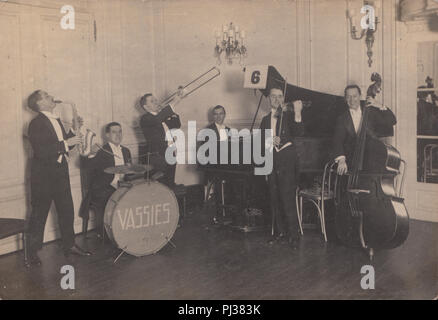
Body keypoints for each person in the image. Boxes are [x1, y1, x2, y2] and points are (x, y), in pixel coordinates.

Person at [26, 90, 91, 268]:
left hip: (60, 173)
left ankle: (69, 245)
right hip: (43, 177)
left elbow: (62, 143)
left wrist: (72, 130)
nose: (51, 97)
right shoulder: (36, 123)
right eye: (46, 96)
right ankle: (32, 253)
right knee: (40, 214)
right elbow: (42, 150)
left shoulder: (56, 120)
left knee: (66, 210)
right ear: (40, 104)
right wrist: (66, 144)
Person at [260, 87, 304, 248]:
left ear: (283, 99)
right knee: (274, 199)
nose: (277, 99)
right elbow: (261, 144)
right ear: (269, 99)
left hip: (287, 163)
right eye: (273, 96)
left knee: (287, 198)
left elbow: (299, 132)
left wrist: (298, 113)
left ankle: (293, 235)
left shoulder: (289, 116)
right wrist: (270, 140)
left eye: (280, 96)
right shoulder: (265, 120)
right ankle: (279, 232)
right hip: (271, 163)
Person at [333, 84, 397, 175]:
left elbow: (392, 120)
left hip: (372, 158)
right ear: (345, 99)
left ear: (360, 96)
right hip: (353, 160)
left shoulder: (370, 111)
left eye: (354, 96)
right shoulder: (342, 119)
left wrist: (380, 105)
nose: (352, 100)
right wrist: (341, 160)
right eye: (348, 97)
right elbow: (337, 140)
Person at [87, 122, 132, 238]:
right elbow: (89, 167)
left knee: (136, 195)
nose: (118, 135)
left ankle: (127, 230)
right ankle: (109, 234)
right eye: (114, 132)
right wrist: (92, 153)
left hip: (122, 186)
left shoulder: (126, 151)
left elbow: (130, 171)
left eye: (120, 131)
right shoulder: (101, 151)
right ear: (107, 135)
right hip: (105, 187)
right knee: (109, 197)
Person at [139, 91, 183, 188]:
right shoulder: (145, 119)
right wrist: (173, 103)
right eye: (152, 101)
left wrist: (169, 110)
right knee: (160, 185)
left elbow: (177, 124)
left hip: (170, 151)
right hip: (158, 156)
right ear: (146, 107)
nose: (156, 102)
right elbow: (156, 120)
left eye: (156, 100)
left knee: (170, 182)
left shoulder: (162, 116)